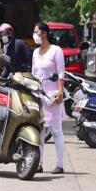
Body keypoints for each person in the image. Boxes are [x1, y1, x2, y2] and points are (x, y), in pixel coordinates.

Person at [31, 22, 65, 174]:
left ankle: (60, 164)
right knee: (39, 132)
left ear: (44, 33)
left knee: (56, 131)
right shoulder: (35, 53)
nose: (34, 35)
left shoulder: (56, 51)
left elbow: (61, 73)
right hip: (38, 96)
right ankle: (38, 163)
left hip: (52, 96)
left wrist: (60, 92)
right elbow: (33, 75)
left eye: (36, 31)